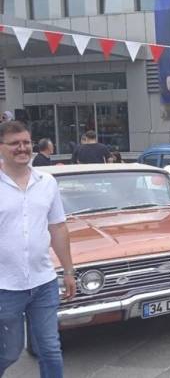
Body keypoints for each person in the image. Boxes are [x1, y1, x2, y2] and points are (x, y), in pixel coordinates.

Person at [0, 121, 77, 378]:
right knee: (9, 352)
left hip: (43, 283)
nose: (22, 148)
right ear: (1, 147)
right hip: (5, 287)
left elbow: (58, 228)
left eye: (26, 142)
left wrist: (68, 271)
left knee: (51, 349)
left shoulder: (47, 182)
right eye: (14, 144)